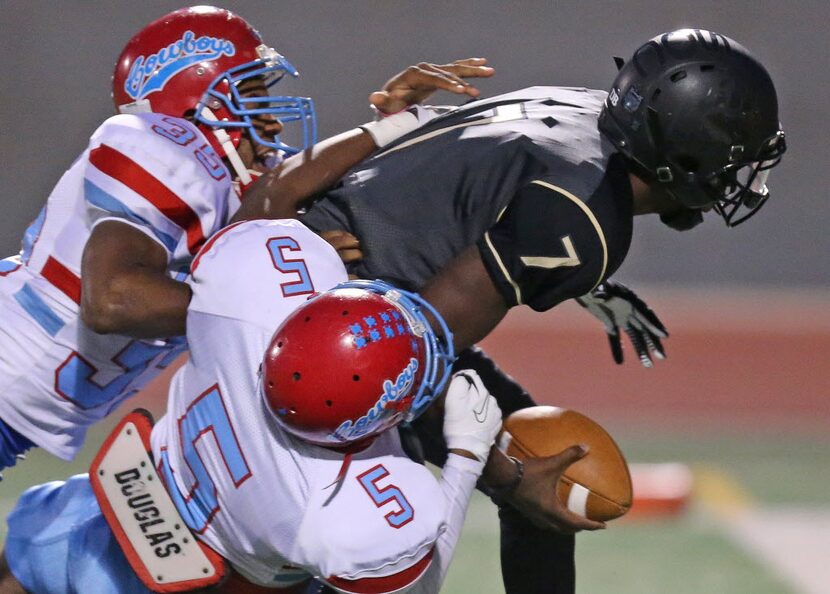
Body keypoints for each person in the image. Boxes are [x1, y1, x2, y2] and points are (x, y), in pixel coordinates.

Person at [280, 28, 784, 594]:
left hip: (308, 278)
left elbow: (487, 192)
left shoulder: (584, 111)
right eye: (736, 157)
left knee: (537, 456)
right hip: (330, 339)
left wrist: (589, 282)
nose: (737, 179)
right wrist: (509, 478)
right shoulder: (583, 217)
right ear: (689, 153)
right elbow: (405, 366)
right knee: (401, 527)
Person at [0, 5, 492, 473]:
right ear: (195, 104)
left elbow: (290, 195)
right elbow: (114, 300)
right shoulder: (151, 144)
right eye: (253, 95)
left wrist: (393, 128)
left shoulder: (220, 187)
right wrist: (270, 310)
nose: (273, 119)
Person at [0, 217, 505, 594]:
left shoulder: (253, 290)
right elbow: (414, 588)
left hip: (108, 506)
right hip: (212, 581)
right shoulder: (346, 512)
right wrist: (465, 456)